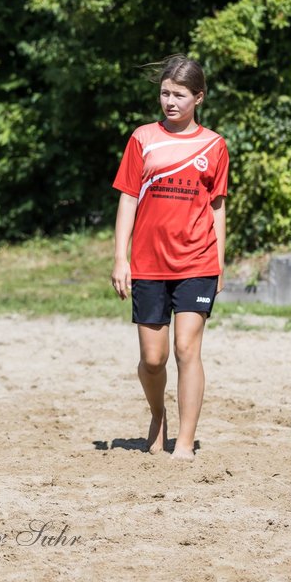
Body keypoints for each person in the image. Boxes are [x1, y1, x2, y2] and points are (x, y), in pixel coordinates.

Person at [110, 54, 229, 461]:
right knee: (152, 358)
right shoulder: (142, 139)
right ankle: (158, 415)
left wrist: (220, 263)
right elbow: (127, 198)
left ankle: (185, 441)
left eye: (179, 95)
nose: (170, 101)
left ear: (199, 97)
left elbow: (216, 207)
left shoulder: (214, 145)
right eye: (165, 93)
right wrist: (120, 259)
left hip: (197, 261)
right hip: (147, 263)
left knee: (186, 349)